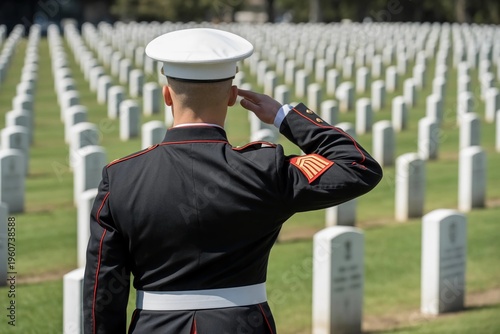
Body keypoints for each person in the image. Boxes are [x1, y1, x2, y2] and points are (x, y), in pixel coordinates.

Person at [83, 28, 383, 334]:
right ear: (231, 97)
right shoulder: (264, 169)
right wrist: (283, 116)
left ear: (166, 95)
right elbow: (357, 166)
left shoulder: (121, 177)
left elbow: (102, 290)